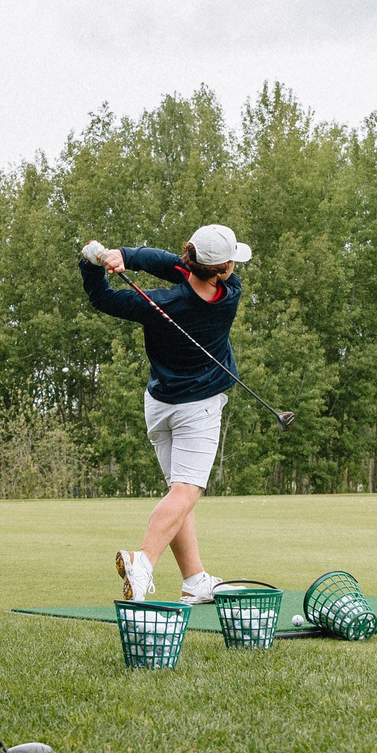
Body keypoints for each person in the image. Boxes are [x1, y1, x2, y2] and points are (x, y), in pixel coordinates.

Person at [78, 224, 251, 605]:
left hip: (159, 406)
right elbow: (176, 267)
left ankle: (195, 580)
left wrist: (96, 262)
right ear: (222, 270)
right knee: (186, 491)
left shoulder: (157, 305)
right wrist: (126, 257)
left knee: (179, 494)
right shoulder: (230, 293)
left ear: (189, 258)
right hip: (199, 408)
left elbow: (103, 298)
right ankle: (143, 561)